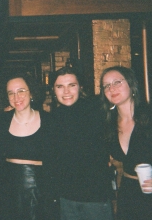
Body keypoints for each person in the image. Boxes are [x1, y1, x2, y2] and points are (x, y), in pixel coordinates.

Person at [100, 66, 152, 220]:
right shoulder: (108, 125)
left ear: (131, 85)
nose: (111, 88)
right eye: (106, 85)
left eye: (117, 82)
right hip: (128, 197)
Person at [49, 67, 114, 220]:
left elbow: (127, 109)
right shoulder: (52, 118)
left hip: (96, 198)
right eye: (60, 86)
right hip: (66, 198)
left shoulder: (97, 107)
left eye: (72, 85)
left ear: (80, 87)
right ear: (53, 90)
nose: (66, 91)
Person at [0, 73, 58, 220]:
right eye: (11, 93)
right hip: (8, 191)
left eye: (21, 91)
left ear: (31, 92)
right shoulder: (1, 121)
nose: (17, 97)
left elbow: (56, 160)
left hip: (41, 191)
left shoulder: (49, 121)